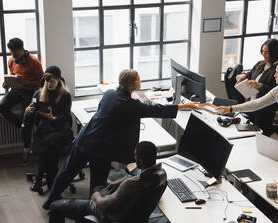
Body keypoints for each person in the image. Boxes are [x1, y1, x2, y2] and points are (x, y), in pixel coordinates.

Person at [42, 69, 201, 210]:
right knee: (97, 184)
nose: (140, 82)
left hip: (84, 138)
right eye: (138, 80)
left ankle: (50, 201)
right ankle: (92, 215)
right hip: (100, 149)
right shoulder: (131, 105)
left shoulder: (109, 94)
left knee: (66, 172)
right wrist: (184, 106)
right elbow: (156, 109)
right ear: (132, 83)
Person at [33, 141, 167, 223]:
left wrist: (96, 196)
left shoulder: (131, 185)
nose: (134, 157)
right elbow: (137, 175)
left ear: (140, 159)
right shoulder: (160, 175)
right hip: (132, 219)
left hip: (110, 215)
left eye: (136, 155)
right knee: (99, 186)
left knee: (56, 206)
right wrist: (121, 180)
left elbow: (106, 205)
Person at [22, 66, 73, 190]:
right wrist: (27, 111)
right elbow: (31, 113)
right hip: (44, 131)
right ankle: (53, 187)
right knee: (50, 150)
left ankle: (39, 178)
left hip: (61, 130)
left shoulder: (65, 96)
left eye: (52, 81)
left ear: (59, 81)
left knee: (47, 143)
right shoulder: (37, 94)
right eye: (47, 81)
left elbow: (65, 118)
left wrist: (53, 118)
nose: (49, 84)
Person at [234, 39, 278, 141]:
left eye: (267, 52)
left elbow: (277, 91)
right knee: (249, 131)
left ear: (274, 52)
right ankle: (274, 129)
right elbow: (251, 73)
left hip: (264, 108)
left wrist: (259, 85)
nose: (264, 55)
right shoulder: (260, 64)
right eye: (262, 51)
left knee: (260, 135)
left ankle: (275, 129)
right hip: (252, 102)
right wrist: (244, 75)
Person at [0, 38, 44, 128]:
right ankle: (20, 125)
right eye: (11, 52)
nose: (13, 56)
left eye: (15, 53)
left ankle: (26, 129)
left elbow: (41, 83)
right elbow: (13, 76)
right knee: (1, 107)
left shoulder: (34, 62)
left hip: (31, 92)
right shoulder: (11, 61)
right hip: (16, 90)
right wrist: (8, 83)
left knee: (28, 116)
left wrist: (26, 82)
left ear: (22, 50)